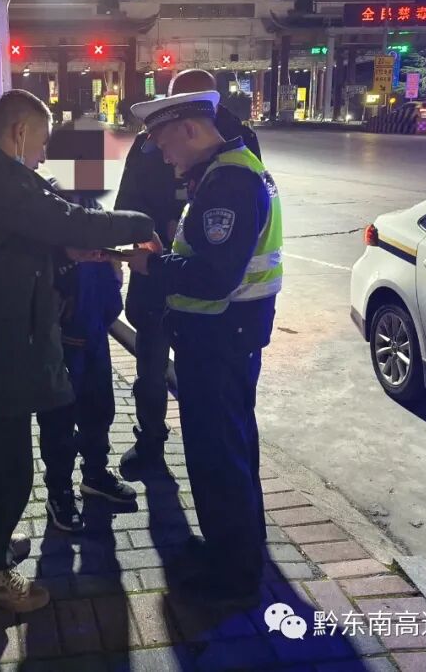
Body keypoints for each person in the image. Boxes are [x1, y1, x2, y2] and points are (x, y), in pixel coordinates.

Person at [0, 90, 154, 613]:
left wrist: (65, 253)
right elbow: (71, 220)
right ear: (20, 132)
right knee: (10, 467)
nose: (44, 155)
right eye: (42, 143)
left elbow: (15, 244)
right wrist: (141, 224)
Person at [125, 89, 282, 600]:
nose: (161, 154)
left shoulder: (229, 182)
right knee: (232, 446)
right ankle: (236, 550)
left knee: (218, 455)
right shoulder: (230, 170)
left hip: (219, 337)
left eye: (163, 141)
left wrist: (152, 264)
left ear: (190, 129)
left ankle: (231, 574)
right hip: (228, 336)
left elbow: (214, 277)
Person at [114, 69, 262, 477]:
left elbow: (241, 220)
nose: (167, 156)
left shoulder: (237, 143)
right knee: (151, 369)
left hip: (213, 300)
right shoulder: (150, 143)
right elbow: (127, 206)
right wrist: (153, 233)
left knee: (218, 408)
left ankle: (222, 476)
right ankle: (151, 440)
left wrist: (186, 231)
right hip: (159, 276)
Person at [37, 182, 137, 533]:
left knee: (99, 408)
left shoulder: (92, 205)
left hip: (94, 330)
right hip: (63, 337)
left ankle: (95, 474)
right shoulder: (48, 206)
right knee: (60, 418)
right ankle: (59, 490)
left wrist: (114, 280)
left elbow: (108, 258)